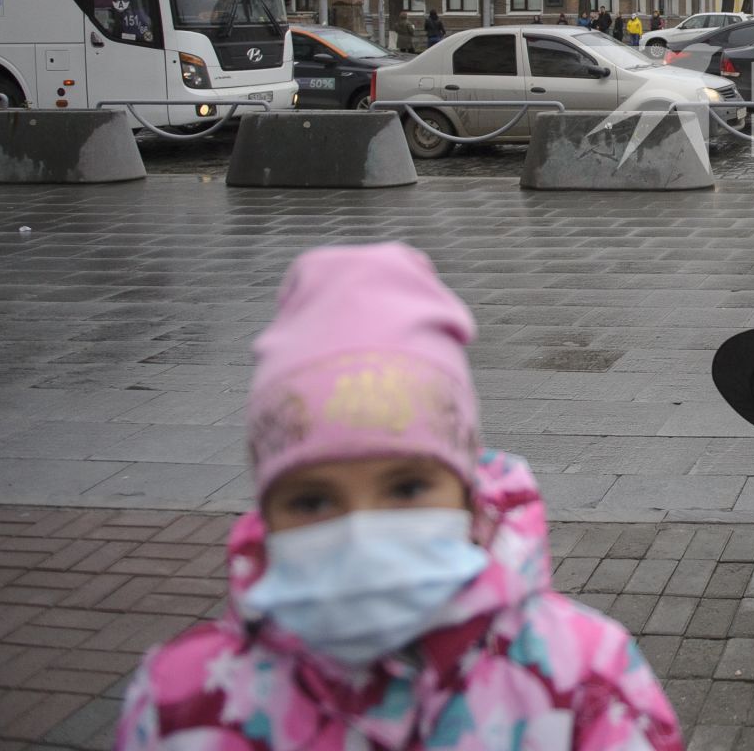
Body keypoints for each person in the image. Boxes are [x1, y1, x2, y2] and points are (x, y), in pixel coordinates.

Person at [116, 244, 683, 750]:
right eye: (312, 501)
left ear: (467, 494)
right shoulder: (183, 700)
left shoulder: (584, 678)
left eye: (407, 488)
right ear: (267, 511)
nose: (362, 531)